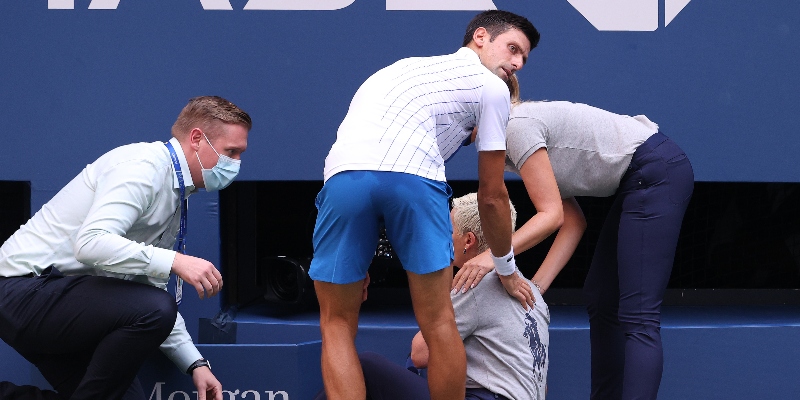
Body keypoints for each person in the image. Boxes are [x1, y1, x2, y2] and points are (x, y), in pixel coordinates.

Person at [309, 10, 540, 400]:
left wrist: (357, 256)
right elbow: (492, 195)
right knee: (438, 322)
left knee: (335, 324)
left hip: (343, 181)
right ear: (480, 37)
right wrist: (505, 267)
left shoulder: (400, 70)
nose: (516, 63)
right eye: (513, 49)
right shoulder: (493, 87)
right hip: (414, 181)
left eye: (523, 59)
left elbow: (372, 170)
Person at [453, 75, 695, 399]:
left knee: (639, 314)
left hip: (655, 172)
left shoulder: (516, 127)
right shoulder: (513, 139)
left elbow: (551, 216)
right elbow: (573, 220)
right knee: (601, 296)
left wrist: (493, 259)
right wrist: (535, 290)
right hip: (639, 178)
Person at [0, 96, 252, 400]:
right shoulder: (143, 167)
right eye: (231, 153)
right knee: (156, 308)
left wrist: (195, 363)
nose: (236, 164)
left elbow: (148, 289)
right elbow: (91, 243)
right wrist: (175, 260)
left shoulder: (176, 191)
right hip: (21, 291)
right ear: (197, 139)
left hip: (61, 304)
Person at [314, 193, 549, 400]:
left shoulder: (475, 284)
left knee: (367, 366)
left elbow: (419, 353)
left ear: (468, 241)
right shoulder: (534, 294)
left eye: (448, 232)